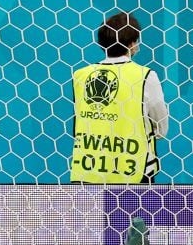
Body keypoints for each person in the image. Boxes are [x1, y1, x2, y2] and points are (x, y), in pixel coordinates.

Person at [71, 12, 169, 184]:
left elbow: (78, 123)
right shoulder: (146, 76)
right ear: (132, 43)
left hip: (88, 170)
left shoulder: (80, 76)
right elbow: (161, 128)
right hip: (133, 171)